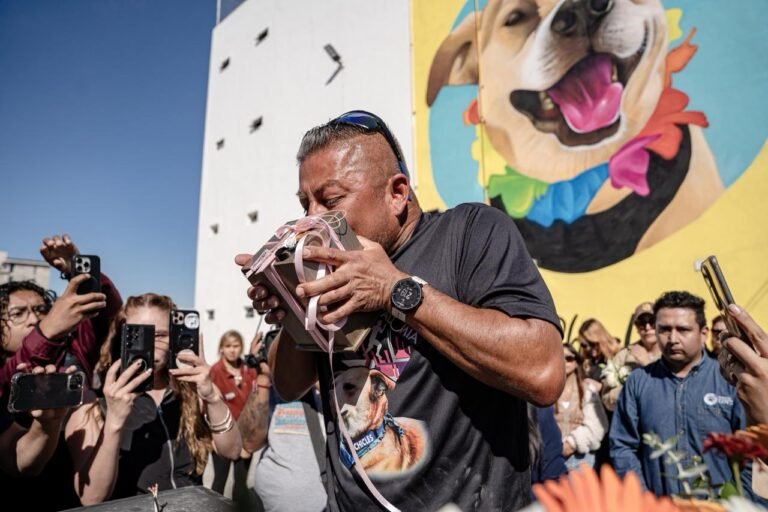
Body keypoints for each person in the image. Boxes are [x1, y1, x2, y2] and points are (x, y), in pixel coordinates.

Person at [236, 110, 564, 511]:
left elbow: (543, 371)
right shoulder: (331, 271)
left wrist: (394, 290)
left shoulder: (469, 232)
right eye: (305, 204)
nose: (310, 219)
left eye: (330, 200)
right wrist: (295, 304)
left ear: (396, 193)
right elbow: (289, 386)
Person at [65, 293, 242, 505]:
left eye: (159, 335)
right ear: (121, 337)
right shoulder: (93, 404)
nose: (149, 344)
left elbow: (232, 451)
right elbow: (92, 497)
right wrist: (114, 421)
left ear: (174, 337)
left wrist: (212, 397)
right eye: (138, 333)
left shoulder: (194, 392)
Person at [610, 291, 745, 496]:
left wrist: (736, 501)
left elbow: (750, 452)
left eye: (683, 329)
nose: (672, 339)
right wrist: (643, 500)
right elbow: (623, 447)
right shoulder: (638, 382)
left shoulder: (729, 380)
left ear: (703, 333)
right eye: (664, 329)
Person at [0, 234, 121, 396]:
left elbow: (109, 315)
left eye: (40, 310)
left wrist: (80, 273)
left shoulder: (75, 350)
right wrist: (47, 331)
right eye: (18, 313)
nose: (34, 320)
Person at [209, 330, 258, 497]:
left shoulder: (248, 370)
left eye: (236, 346)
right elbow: (207, 406)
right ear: (221, 348)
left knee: (241, 482)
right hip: (223, 434)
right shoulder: (215, 371)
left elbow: (256, 400)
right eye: (228, 346)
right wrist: (211, 437)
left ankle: (239, 507)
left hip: (246, 434)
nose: (232, 350)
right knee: (220, 481)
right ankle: (215, 508)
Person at [554, 344, 608, 471]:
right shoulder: (546, 390)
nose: (564, 362)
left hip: (580, 460)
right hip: (551, 457)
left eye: (569, 358)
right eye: (559, 357)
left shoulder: (587, 389)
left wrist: (572, 443)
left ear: (576, 362)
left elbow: (598, 426)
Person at [601, 302, 661, 412]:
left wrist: (647, 363)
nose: (647, 327)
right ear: (636, 327)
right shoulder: (624, 355)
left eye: (652, 321)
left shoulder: (670, 353)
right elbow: (607, 398)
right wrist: (631, 391)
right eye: (641, 323)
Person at [577, 319, 620, 383]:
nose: (588, 348)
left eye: (592, 343)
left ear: (602, 340)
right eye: (584, 345)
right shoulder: (584, 362)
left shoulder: (618, 357)